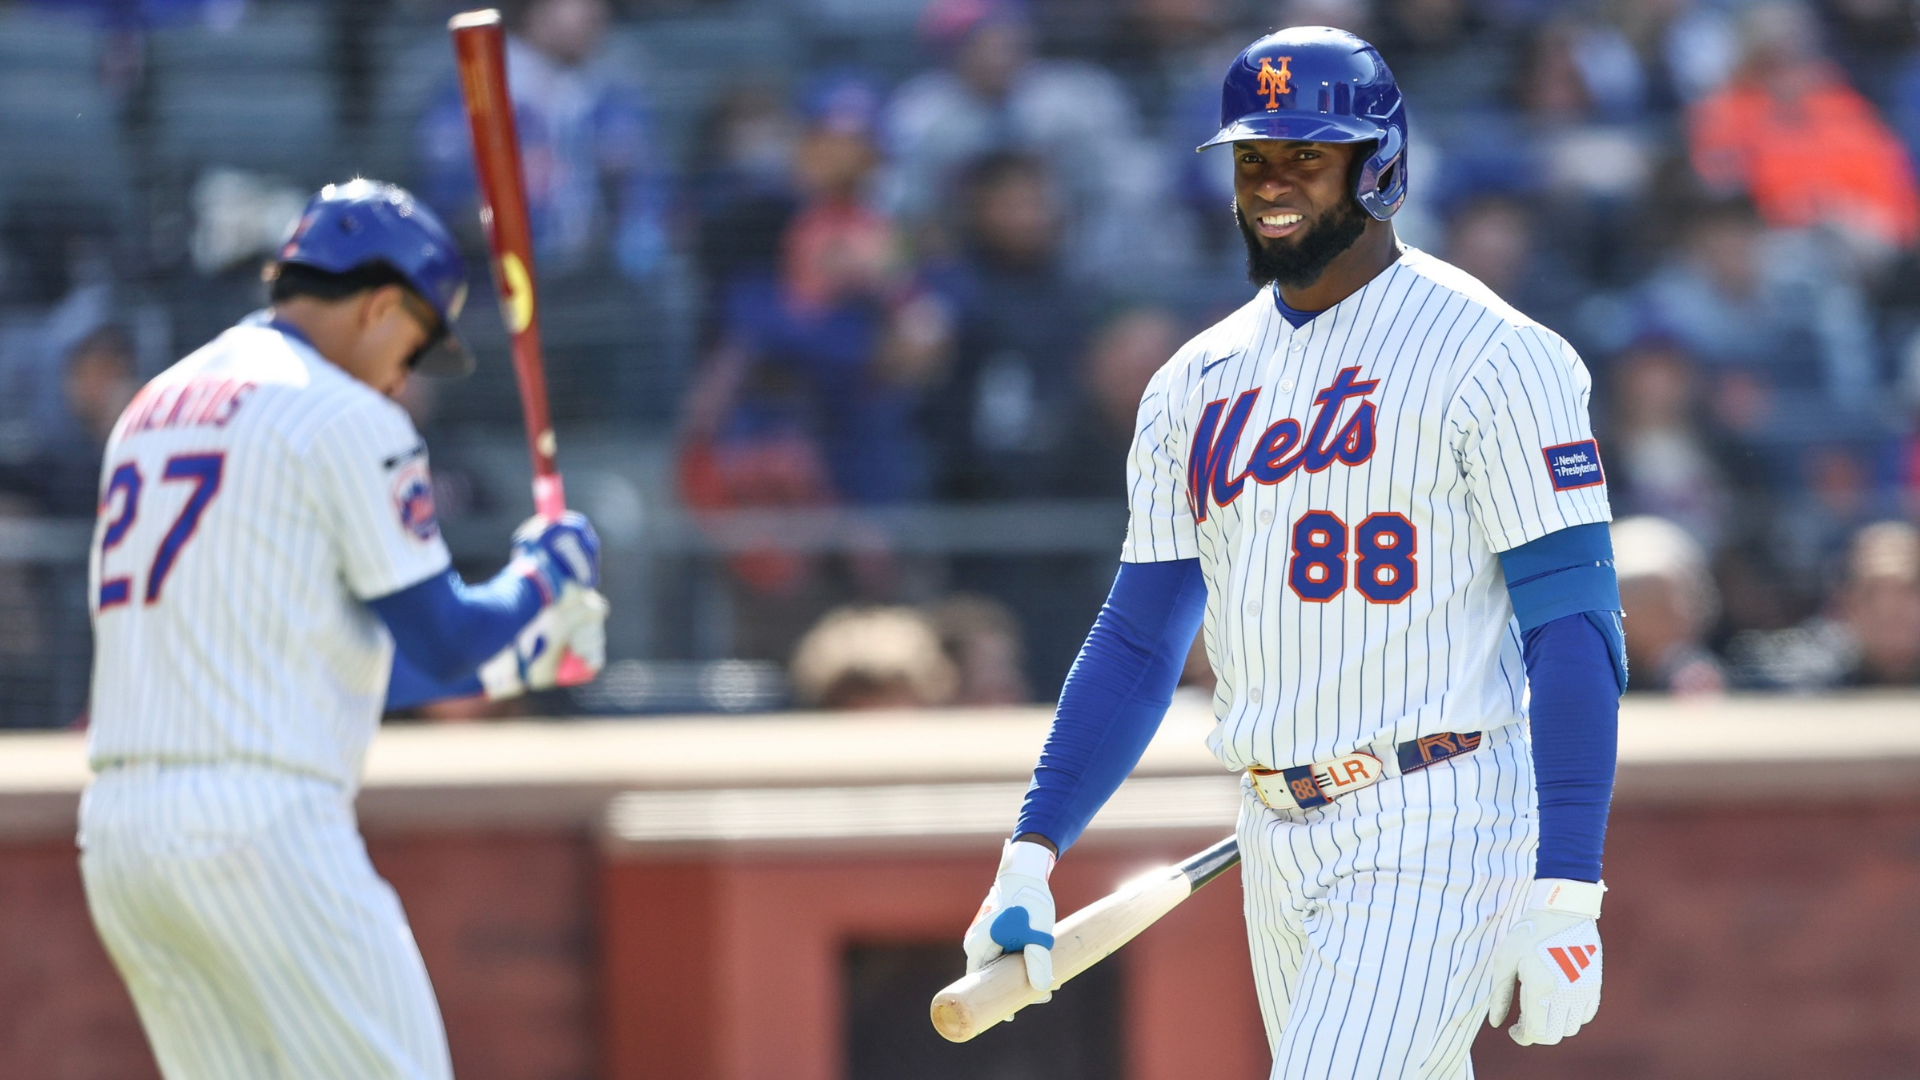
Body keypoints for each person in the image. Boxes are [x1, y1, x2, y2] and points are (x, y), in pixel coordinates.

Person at [960, 28, 1627, 1076]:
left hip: (1438, 807)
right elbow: (1139, 640)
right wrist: (1030, 853)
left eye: (1306, 158)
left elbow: (1574, 626)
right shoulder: (1196, 382)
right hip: (1271, 825)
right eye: (1252, 158)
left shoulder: (1499, 355)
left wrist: (1568, 885)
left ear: (1381, 167)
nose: (1272, 185)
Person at [77, 181, 608, 1080]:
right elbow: (440, 636)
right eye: (417, 342)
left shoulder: (150, 407)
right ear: (379, 306)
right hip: (265, 826)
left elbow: (340, 662)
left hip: (123, 838)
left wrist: (518, 650)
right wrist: (544, 575)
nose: (407, 374)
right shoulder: (350, 415)